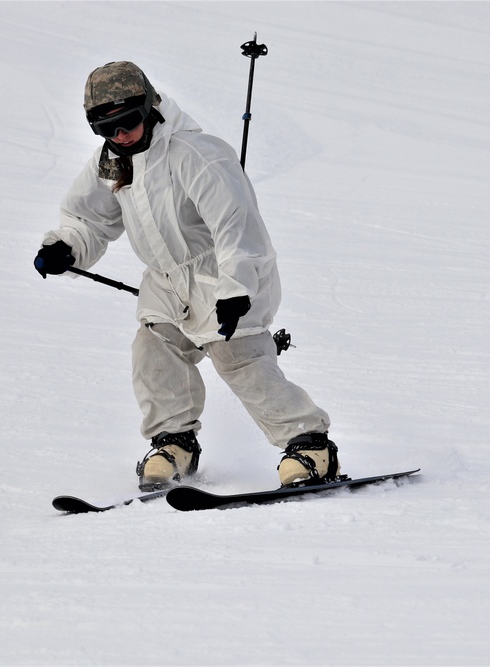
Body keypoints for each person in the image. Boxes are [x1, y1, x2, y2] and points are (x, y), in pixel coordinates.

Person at [35, 61, 342, 491]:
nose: (119, 136)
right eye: (106, 129)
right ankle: (174, 442)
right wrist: (66, 245)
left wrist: (236, 289)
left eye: (127, 123)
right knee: (153, 346)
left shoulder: (195, 154)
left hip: (224, 272)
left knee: (239, 359)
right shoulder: (112, 161)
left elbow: (237, 226)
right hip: (165, 281)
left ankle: (310, 445)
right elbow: (89, 218)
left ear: (149, 108)